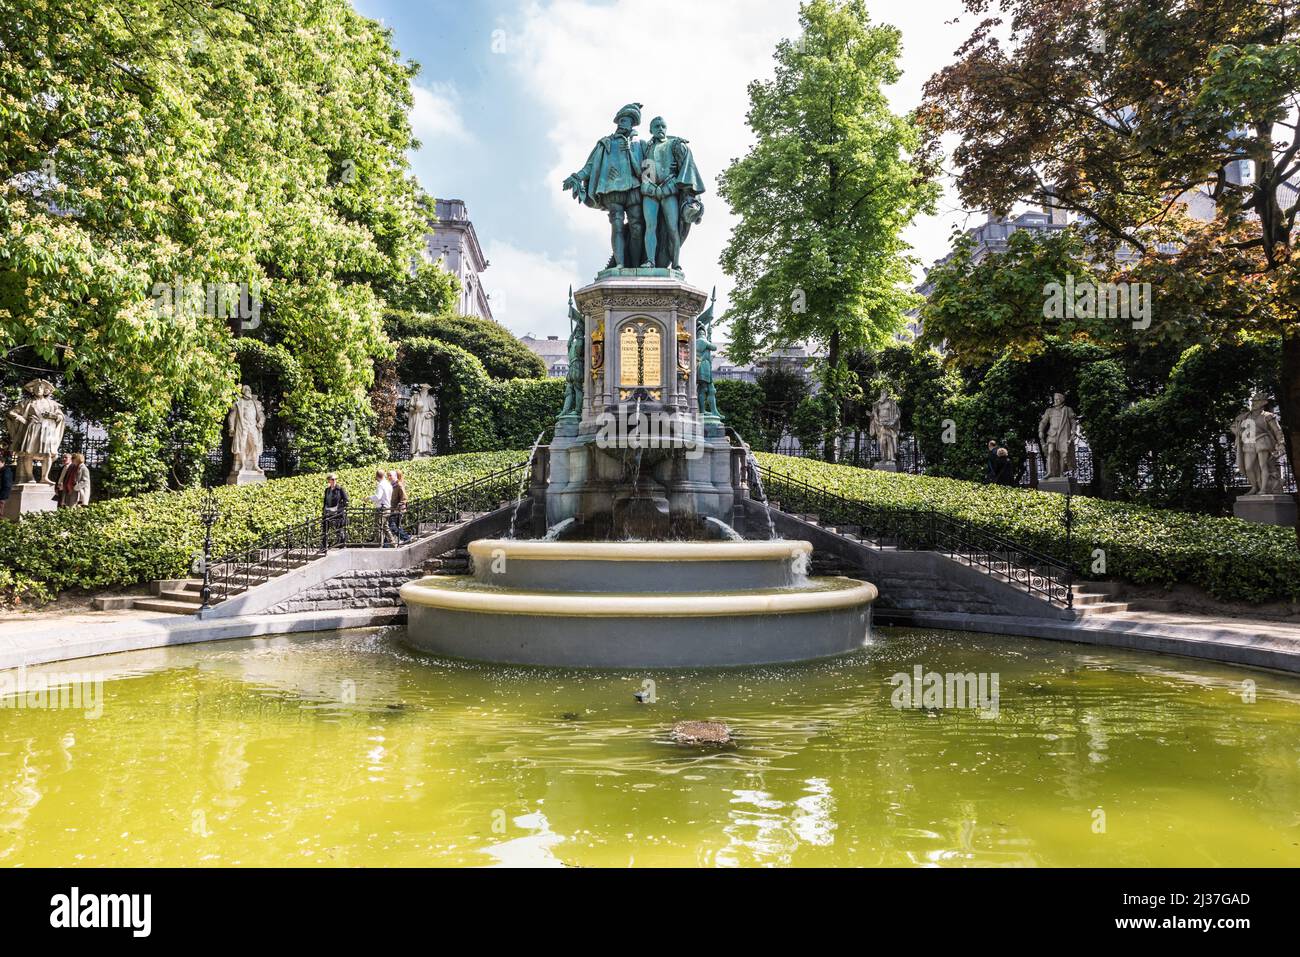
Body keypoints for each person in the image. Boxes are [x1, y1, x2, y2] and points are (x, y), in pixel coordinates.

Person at [322, 473, 349, 547]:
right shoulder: (327, 490)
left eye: (335, 479)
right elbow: (325, 501)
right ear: (329, 481)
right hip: (328, 512)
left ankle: (342, 544)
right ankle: (324, 545)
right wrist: (324, 509)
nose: (334, 481)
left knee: (339, 529)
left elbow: (346, 500)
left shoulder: (340, 489)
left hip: (337, 513)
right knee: (325, 529)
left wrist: (339, 508)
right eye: (332, 479)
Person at [368, 469, 394, 546]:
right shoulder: (388, 484)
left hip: (381, 509)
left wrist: (368, 498)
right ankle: (393, 543)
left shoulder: (380, 485)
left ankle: (379, 544)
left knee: (378, 527)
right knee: (385, 527)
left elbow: (378, 497)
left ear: (377, 476)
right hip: (388, 507)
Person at [388, 469, 412, 545]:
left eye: (390, 475)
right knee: (396, 526)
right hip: (393, 509)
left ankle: (406, 538)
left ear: (395, 476)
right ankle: (388, 543)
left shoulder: (399, 485)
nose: (389, 477)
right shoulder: (392, 485)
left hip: (397, 510)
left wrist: (399, 507)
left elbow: (404, 497)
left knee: (392, 527)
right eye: (388, 475)